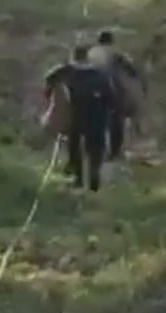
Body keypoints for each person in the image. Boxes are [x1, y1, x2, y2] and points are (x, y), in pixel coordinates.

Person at [43, 44, 117, 192]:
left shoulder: (68, 70)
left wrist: (51, 95)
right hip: (97, 112)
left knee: (74, 145)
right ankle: (94, 174)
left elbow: (49, 78)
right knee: (96, 146)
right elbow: (111, 97)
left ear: (74, 57)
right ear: (87, 57)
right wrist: (110, 111)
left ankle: (78, 178)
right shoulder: (100, 73)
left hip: (77, 111)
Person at [87, 30, 143, 161]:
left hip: (91, 86)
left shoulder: (91, 52)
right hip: (111, 88)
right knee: (116, 119)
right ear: (111, 41)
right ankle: (114, 151)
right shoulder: (115, 52)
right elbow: (130, 68)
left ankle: (94, 149)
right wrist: (136, 75)